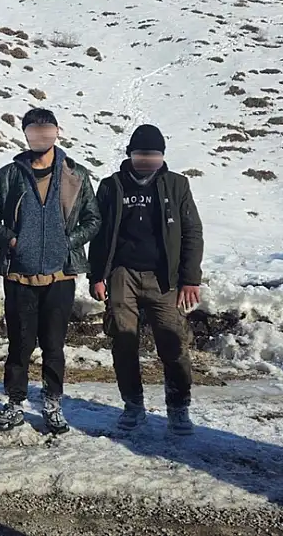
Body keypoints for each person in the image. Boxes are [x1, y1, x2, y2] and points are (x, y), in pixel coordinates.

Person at [0, 108, 102, 434]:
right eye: (33, 131)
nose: (40, 137)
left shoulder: (75, 174)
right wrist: (12, 240)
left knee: (53, 345)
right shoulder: (9, 175)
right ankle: (15, 403)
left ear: (56, 132)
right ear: (25, 135)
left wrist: (69, 241)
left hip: (60, 275)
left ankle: (52, 404)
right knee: (19, 344)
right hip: (19, 275)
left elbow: (94, 219)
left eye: (46, 131)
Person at [88, 124, 204, 435]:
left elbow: (192, 231)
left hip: (163, 277)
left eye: (153, 155)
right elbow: (98, 234)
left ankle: (179, 408)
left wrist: (190, 279)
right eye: (141, 155)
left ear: (162, 156)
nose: (147, 161)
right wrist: (97, 275)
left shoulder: (177, 185)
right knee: (123, 343)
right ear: (130, 154)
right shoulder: (111, 186)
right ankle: (133, 405)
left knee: (173, 341)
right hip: (121, 275)